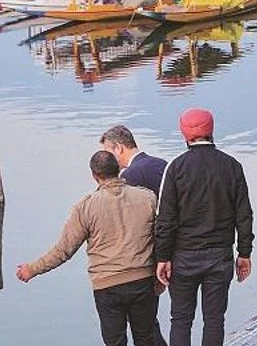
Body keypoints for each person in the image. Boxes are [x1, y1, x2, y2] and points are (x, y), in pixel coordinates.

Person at [16, 151, 158, 346]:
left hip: (107, 286)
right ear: (119, 169)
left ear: (94, 175)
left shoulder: (86, 208)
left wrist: (32, 269)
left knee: (115, 342)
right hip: (142, 280)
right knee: (147, 339)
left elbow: (64, 250)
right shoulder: (147, 198)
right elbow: (162, 238)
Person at [155, 108, 254, 346]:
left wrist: (163, 257)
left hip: (183, 256)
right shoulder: (231, 166)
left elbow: (165, 219)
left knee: (180, 319)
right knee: (214, 319)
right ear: (212, 130)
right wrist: (244, 253)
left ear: (184, 134)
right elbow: (244, 214)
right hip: (220, 255)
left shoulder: (176, 168)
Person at [100, 125, 169, 346]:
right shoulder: (163, 165)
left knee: (145, 326)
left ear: (118, 148)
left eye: (108, 153)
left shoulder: (129, 177)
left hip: (146, 258)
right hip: (173, 247)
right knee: (153, 323)